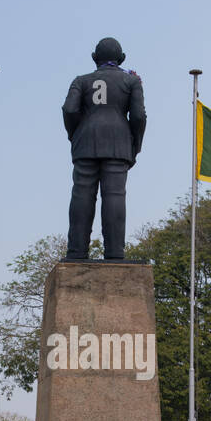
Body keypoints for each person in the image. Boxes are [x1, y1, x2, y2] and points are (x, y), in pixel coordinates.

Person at [62, 37, 146, 261]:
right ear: (122, 59)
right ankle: (115, 253)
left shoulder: (81, 81)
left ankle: (77, 252)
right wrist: (135, 145)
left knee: (82, 195)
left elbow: (69, 110)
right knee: (115, 196)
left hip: (85, 143)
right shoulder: (131, 82)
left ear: (93, 58)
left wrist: (76, 135)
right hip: (118, 144)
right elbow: (138, 116)